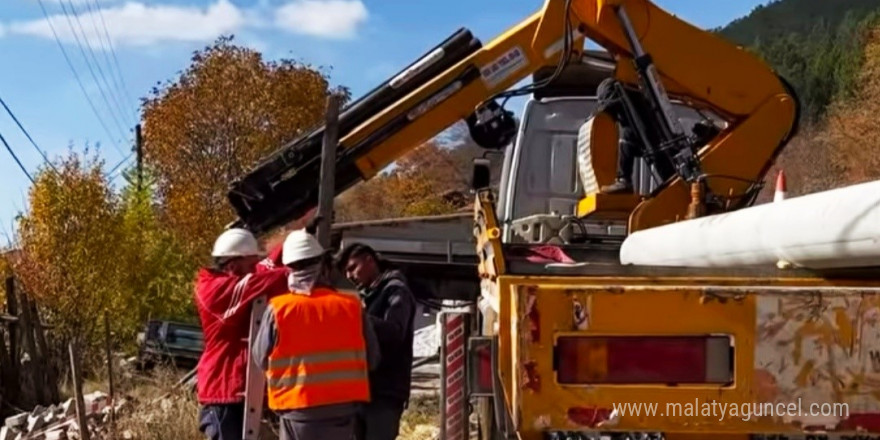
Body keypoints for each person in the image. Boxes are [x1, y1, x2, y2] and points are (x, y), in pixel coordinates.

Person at [252, 229, 381, 440]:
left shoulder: (279, 310)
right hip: (343, 410)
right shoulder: (351, 307)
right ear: (324, 267)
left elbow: (260, 359)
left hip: (297, 409)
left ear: (289, 270)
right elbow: (372, 359)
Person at [195, 227, 290, 440]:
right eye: (250, 266)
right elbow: (269, 278)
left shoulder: (236, 277)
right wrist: (303, 269)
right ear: (232, 266)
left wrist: (298, 236)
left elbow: (266, 267)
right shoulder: (214, 291)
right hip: (224, 389)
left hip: (240, 388)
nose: (254, 270)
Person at [336, 243, 417, 440]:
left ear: (369, 260)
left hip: (385, 392)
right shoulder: (369, 293)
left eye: (353, 268)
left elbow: (395, 332)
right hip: (364, 390)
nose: (350, 276)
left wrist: (359, 317)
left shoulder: (396, 291)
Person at [595, 77, 640, 194]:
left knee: (626, 138)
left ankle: (624, 180)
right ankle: (623, 180)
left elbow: (608, 110)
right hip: (644, 136)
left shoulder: (621, 97)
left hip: (641, 136)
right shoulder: (630, 97)